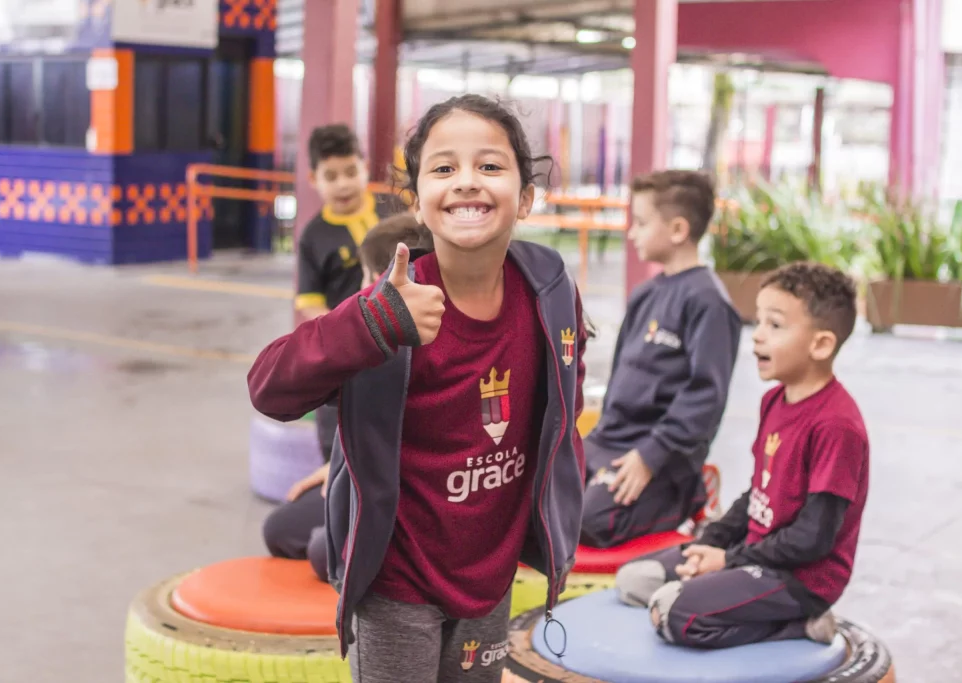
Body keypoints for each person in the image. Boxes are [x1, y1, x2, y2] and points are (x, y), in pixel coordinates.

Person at [248, 94, 588, 683]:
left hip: (489, 575)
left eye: (489, 166)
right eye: (443, 168)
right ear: (416, 202)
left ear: (526, 197)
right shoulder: (393, 307)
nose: (466, 183)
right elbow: (269, 387)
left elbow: (565, 400)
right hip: (398, 582)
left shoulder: (549, 290)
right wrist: (370, 324)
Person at [614, 262, 869, 650]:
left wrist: (728, 560)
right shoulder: (773, 401)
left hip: (800, 579)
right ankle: (729, 585)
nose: (757, 337)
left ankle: (803, 623)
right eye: (760, 321)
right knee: (635, 580)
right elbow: (759, 493)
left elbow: (813, 538)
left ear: (821, 344)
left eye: (776, 326)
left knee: (671, 613)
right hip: (754, 556)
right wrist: (711, 542)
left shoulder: (837, 425)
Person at [261, 212, 434, 581]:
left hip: (412, 495)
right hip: (369, 478)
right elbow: (267, 385)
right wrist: (339, 467)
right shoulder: (366, 337)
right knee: (280, 530)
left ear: (378, 281)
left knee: (325, 551)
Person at [580, 170, 742, 549]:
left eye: (639, 223)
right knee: (533, 500)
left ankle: (689, 495)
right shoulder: (645, 294)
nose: (631, 233)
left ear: (677, 230)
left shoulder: (710, 304)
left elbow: (706, 396)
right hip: (609, 443)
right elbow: (622, 373)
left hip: (659, 458)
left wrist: (651, 456)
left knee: (587, 520)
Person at [295, 123, 401, 471]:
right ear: (314, 178)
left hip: (401, 340)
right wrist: (346, 331)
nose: (342, 183)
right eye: (331, 175)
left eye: (351, 171)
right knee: (340, 432)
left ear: (365, 167)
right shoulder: (314, 236)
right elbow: (309, 300)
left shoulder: (394, 209)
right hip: (347, 351)